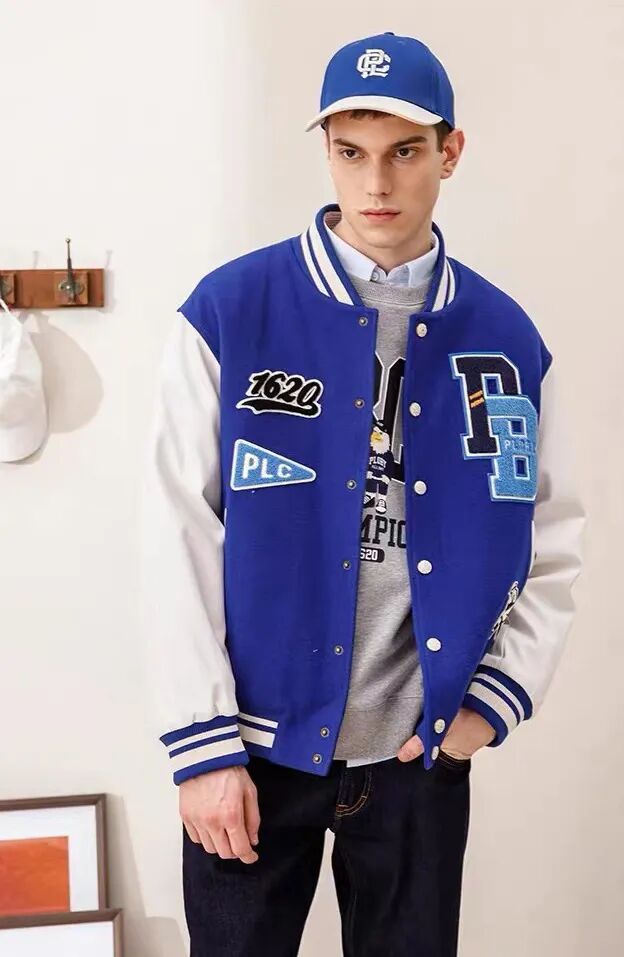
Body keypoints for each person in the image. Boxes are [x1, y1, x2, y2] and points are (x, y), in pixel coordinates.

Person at [139, 30, 586, 957]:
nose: (375, 183)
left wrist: (488, 704)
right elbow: (173, 537)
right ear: (328, 152)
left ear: (450, 153)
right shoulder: (231, 312)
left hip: (417, 759)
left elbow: (551, 536)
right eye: (351, 153)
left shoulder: (506, 339)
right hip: (252, 753)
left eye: (404, 152)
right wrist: (202, 745)